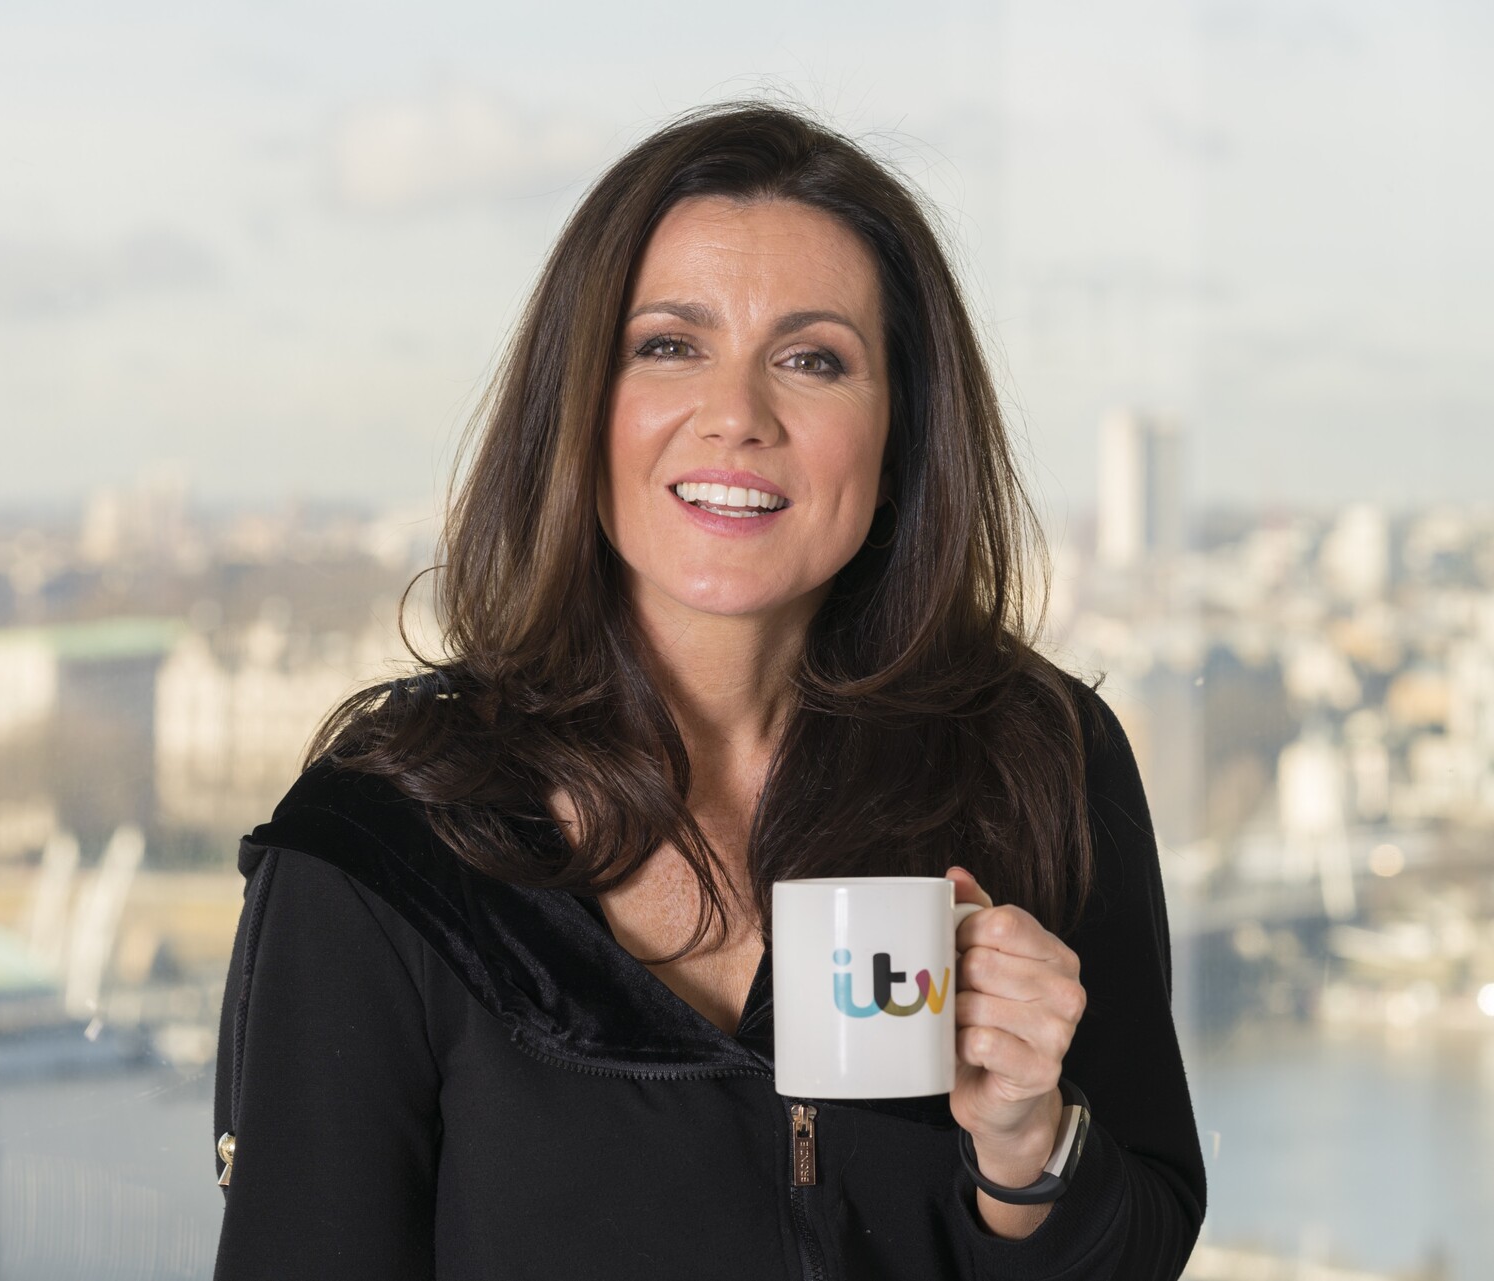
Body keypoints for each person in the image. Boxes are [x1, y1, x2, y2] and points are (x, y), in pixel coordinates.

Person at [211, 100, 1206, 1279]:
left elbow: (1145, 1241)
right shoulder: (383, 847)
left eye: (812, 360)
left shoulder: (1038, 762)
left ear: (900, 440)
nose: (737, 417)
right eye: (670, 346)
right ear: (580, 410)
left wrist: (1028, 1145)